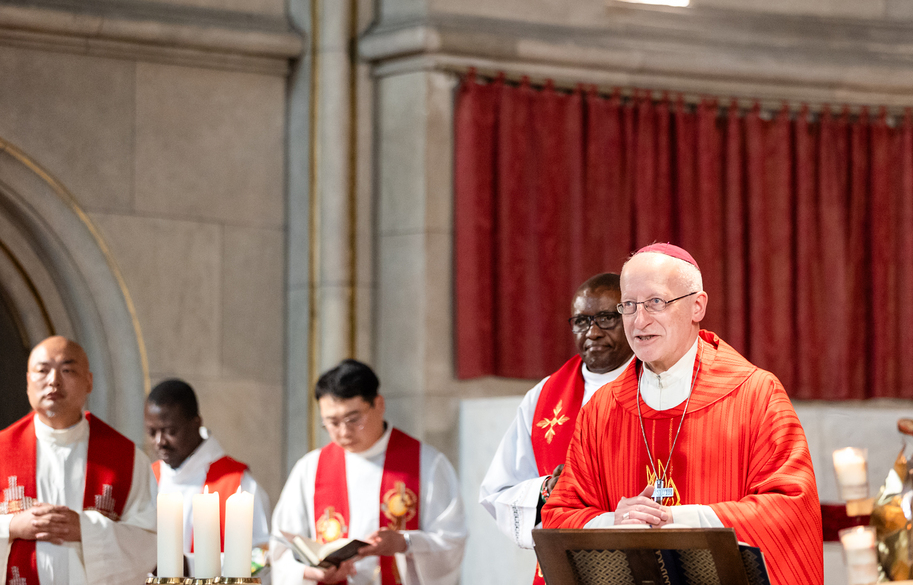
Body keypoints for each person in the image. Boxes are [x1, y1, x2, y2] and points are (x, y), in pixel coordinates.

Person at [542, 244, 823, 585]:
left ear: (697, 306)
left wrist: (680, 522)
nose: (639, 321)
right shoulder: (601, 410)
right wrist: (614, 522)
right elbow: (560, 516)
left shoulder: (755, 394)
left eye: (655, 302)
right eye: (628, 305)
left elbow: (790, 508)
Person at [479, 273, 633, 564]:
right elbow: (498, 492)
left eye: (606, 319)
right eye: (582, 321)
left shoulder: (656, 384)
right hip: (565, 563)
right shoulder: (543, 396)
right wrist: (547, 489)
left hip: (637, 556)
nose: (593, 333)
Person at [270, 360, 466, 585]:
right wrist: (309, 573)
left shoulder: (427, 463)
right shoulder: (310, 468)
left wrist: (404, 543)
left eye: (353, 419)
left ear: (379, 404)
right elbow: (281, 546)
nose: (344, 431)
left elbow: (451, 541)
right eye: (332, 422)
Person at [0, 336, 157, 585]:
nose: (54, 380)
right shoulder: (2, 451)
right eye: (43, 370)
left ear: (89, 381)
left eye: (67, 370)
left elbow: (150, 540)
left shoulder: (127, 459)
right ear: (28, 382)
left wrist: (86, 530)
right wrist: (12, 526)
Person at [145, 379, 271, 572]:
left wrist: (190, 566)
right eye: (152, 432)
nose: (160, 442)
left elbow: (262, 556)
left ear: (196, 423)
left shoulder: (238, 484)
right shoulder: (148, 478)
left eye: (170, 431)